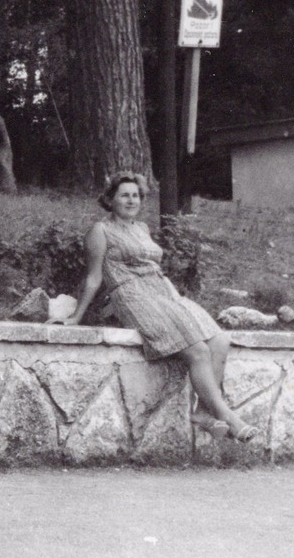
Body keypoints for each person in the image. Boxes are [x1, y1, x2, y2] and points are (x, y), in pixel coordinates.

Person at [64, 171, 259, 442]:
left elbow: (155, 269)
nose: (131, 200)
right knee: (198, 351)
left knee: (220, 340)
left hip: (163, 293)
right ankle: (229, 417)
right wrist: (76, 317)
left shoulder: (142, 229)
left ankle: (203, 412)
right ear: (110, 200)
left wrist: (175, 298)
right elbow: (94, 277)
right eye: (124, 195)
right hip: (132, 297)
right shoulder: (100, 231)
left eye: (135, 195)